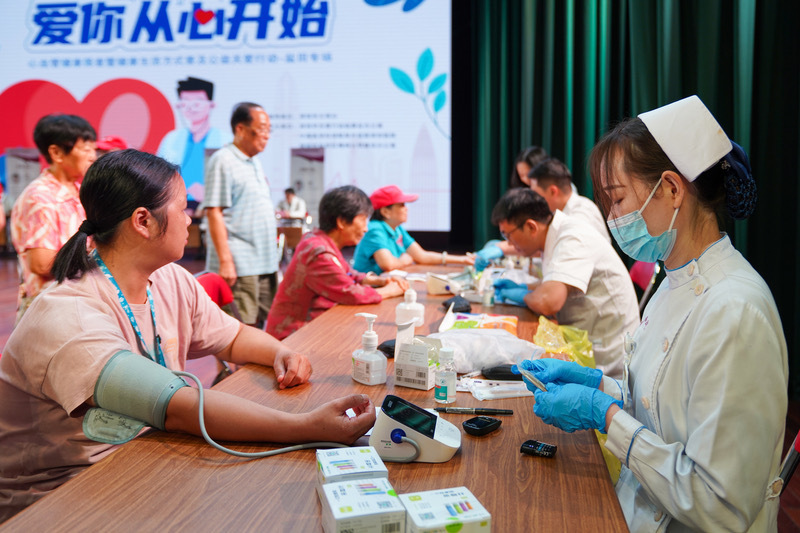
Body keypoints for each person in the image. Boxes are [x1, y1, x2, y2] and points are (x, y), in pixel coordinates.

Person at [0, 150, 375, 522]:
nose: (189, 217)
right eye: (181, 208)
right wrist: (305, 427)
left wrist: (279, 352)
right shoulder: (68, 315)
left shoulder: (169, 279)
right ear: (143, 221)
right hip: (58, 498)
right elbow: (174, 407)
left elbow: (232, 338)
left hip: (141, 457)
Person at [517, 96, 787, 531]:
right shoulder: (673, 280)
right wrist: (599, 386)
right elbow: (661, 410)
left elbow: (720, 504)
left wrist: (605, 415)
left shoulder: (735, 310)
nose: (612, 217)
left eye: (617, 199)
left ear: (672, 189)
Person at [490, 188, 638, 378]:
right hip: (585, 341)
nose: (509, 244)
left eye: (507, 235)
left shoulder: (573, 236)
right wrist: (525, 289)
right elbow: (552, 284)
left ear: (531, 227)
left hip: (606, 361)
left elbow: (549, 301)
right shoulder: (556, 234)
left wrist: (522, 295)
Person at [267, 186, 408, 340]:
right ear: (341, 222)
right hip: (292, 338)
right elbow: (350, 293)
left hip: (311, 330)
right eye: (362, 220)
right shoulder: (319, 251)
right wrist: (391, 290)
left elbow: (347, 273)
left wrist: (378, 280)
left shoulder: (319, 240)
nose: (365, 228)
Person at [10, 114, 97, 322]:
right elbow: (42, 264)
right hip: (52, 311)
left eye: (93, 149)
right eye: (85, 149)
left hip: (77, 304)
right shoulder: (40, 197)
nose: (93, 156)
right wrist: (99, 260)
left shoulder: (79, 191)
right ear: (56, 153)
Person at [203, 102, 278, 329]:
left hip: (264, 262)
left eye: (269, 130)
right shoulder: (223, 160)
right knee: (238, 330)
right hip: (240, 265)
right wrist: (226, 261)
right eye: (262, 128)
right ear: (241, 129)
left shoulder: (254, 162)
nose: (267, 135)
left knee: (260, 327)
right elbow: (214, 211)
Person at [352, 185, 474, 274]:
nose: (406, 209)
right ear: (385, 212)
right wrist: (404, 260)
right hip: (369, 287)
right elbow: (388, 264)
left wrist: (463, 259)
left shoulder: (397, 229)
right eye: (401, 205)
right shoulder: (375, 229)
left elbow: (422, 256)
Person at [157, 76, 232, 203]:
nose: (191, 108)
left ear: (212, 104)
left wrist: (208, 193)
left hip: (213, 206)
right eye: (185, 102)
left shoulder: (224, 140)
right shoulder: (171, 139)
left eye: (197, 103)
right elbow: (158, 176)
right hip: (175, 205)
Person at [527, 157, 610, 241]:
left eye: (535, 194)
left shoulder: (580, 214)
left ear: (553, 191)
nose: (534, 199)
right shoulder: (562, 211)